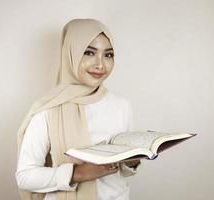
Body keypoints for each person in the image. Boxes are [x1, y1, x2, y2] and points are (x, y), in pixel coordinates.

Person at [15, 18, 141, 200]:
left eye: (108, 55)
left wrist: (132, 162)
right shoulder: (48, 108)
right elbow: (25, 176)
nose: (100, 64)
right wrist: (78, 173)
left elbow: (123, 173)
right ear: (71, 54)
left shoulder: (122, 105)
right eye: (89, 53)